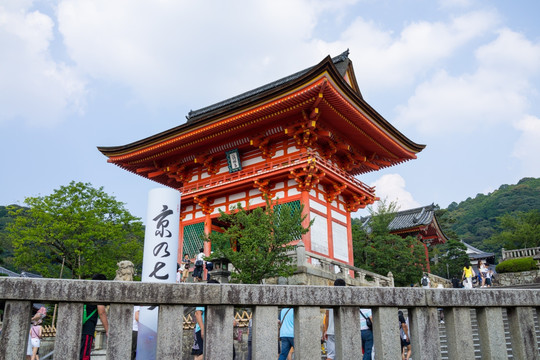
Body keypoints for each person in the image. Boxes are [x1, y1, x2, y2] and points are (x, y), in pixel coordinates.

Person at [191, 279, 222, 360]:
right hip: (202, 329)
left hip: (203, 329)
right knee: (207, 352)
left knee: (199, 353)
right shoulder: (204, 298)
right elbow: (198, 313)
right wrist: (202, 329)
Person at [80, 274, 109, 360]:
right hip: (88, 328)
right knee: (84, 355)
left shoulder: (86, 291)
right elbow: (101, 312)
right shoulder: (97, 293)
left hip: (79, 327)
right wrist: (107, 330)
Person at [323, 278, 346, 360]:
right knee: (344, 354)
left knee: (330, 355)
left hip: (331, 331)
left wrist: (325, 330)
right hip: (343, 331)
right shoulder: (346, 297)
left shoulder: (330, 297)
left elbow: (327, 315)